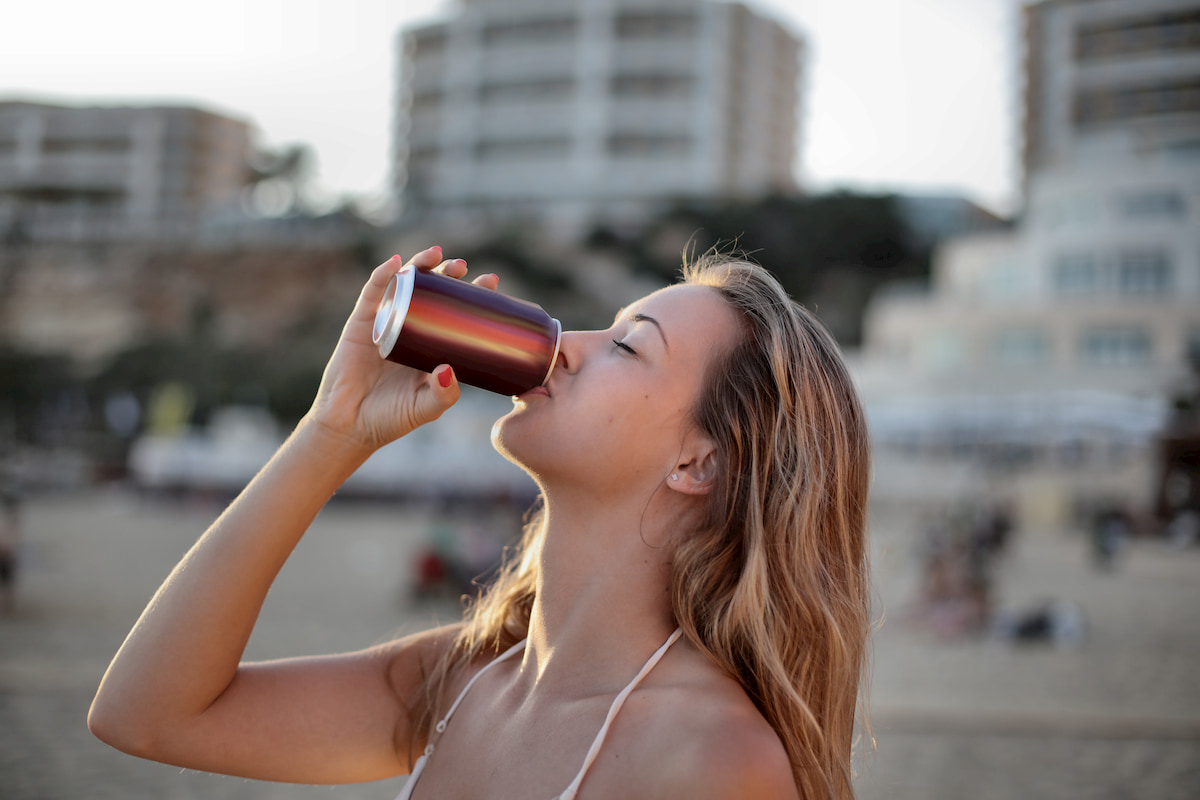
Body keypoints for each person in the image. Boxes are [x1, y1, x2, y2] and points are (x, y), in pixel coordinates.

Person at [88, 247, 873, 800]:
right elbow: (147, 716)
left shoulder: (711, 761)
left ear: (699, 464)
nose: (566, 345)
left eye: (628, 347)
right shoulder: (465, 681)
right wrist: (331, 432)